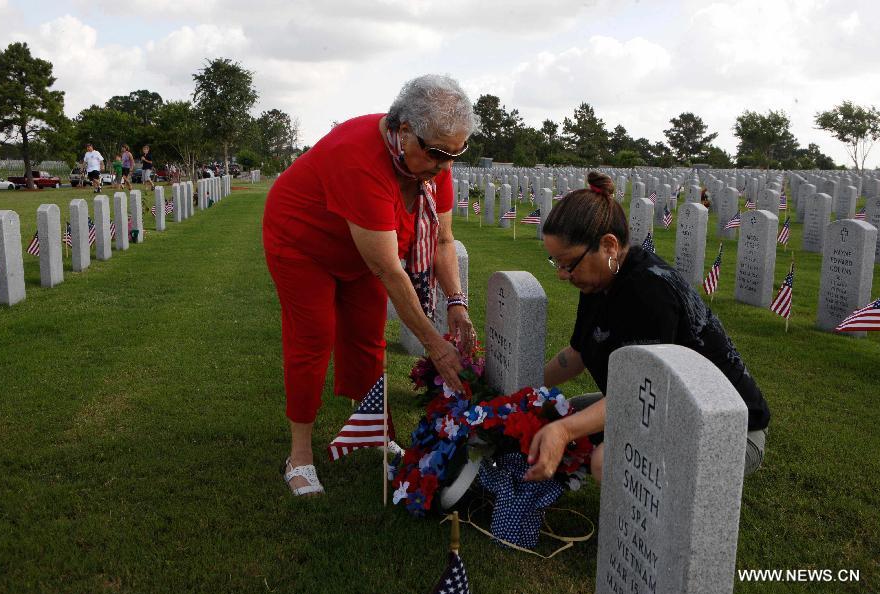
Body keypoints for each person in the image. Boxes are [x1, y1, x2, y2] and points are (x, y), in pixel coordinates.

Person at [263, 74, 477, 497]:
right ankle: (300, 455)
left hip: (363, 254)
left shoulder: (435, 161)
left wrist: (456, 302)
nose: (446, 165)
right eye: (438, 153)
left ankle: (375, 431)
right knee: (312, 339)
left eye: (458, 153)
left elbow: (444, 240)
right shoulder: (358, 158)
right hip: (302, 242)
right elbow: (389, 271)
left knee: (367, 340)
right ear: (403, 131)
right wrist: (435, 345)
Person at [524, 171, 770, 484]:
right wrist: (526, 385)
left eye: (568, 263)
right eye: (556, 262)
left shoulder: (649, 291)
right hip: (661, 406)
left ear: (609, 245)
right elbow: (578, 352)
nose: (561, 274)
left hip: (724, 428)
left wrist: (564, 431)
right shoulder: (599, 280)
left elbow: (640, 390)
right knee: (559, 412)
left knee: (607, 460)